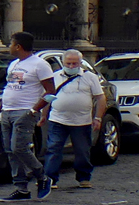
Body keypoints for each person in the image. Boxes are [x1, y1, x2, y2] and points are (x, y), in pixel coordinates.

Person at [0, 31, 55, 201]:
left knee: (20, 147)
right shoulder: (13, 65)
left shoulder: (39, 65)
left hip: (25, 111)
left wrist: (34, 110)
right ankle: (21, 188)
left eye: (10, 44)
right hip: (8, 111)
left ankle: (42, 176)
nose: (9, 47)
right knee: (10, 150)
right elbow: (9, 89)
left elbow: (50, 92)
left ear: (18, 46)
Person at [41, 49, 106, 190]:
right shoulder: (55, 76)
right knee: (53, 149)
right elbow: (48, 97)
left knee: (82, 151)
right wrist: (43, 115)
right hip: (57, 120)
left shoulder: (90, 77)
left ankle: (84, 178)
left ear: (80, 63)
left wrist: (98, 118)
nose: (71, 66)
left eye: (74, 63)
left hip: (82, 122)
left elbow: (100, 98)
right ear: (63, 63)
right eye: (68, 63)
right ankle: (50, 178)